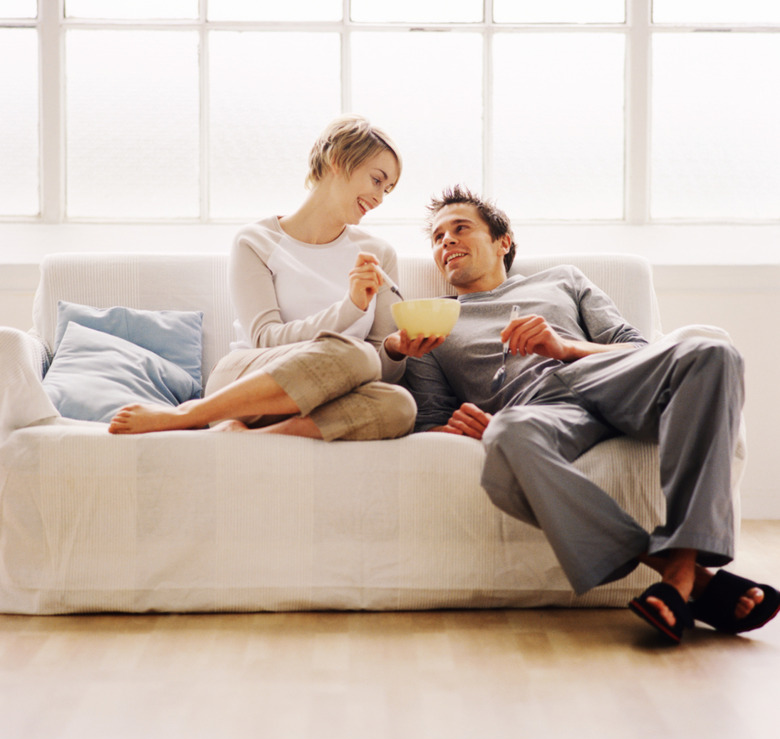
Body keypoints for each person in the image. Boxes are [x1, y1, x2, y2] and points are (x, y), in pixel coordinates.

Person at [402, 184, 780, 644]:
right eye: (438, 238)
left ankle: (683, 571)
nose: (446, 243)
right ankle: (684, 575)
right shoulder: (428, 323)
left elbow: (640, 352)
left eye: (460, 228)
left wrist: (564, 347)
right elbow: (431, 420)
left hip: (606, 378)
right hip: (537, 409)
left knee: (711, 351)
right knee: (508, 435)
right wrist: (472, 426)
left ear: (503, 241)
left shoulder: (563, 279)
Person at [109, 115, 442, 441]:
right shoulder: (256, 241)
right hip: (247, 379)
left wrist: (395, 350)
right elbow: (265, 340)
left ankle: (252, 438)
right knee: (355, 354)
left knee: (399, 405)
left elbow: (379, 371)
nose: (380, 198)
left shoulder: (379, 254)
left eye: (389, 189)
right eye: (376, 180)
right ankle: (188, 415)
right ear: (338, 160)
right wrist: (350, 308)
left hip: (326, 395)